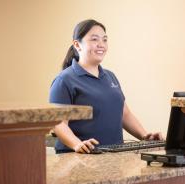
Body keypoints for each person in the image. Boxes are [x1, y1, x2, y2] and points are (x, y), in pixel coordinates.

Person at [49, 19, 163, 154]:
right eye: (94, 39)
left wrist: (145, 136)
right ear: (77, 45)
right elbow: (58, 123)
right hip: (80, 158)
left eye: (104, 40)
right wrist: (77, 144)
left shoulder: (110, 76)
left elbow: (124, 114)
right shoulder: (64, 80)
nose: (101, 45)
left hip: (113, 156)